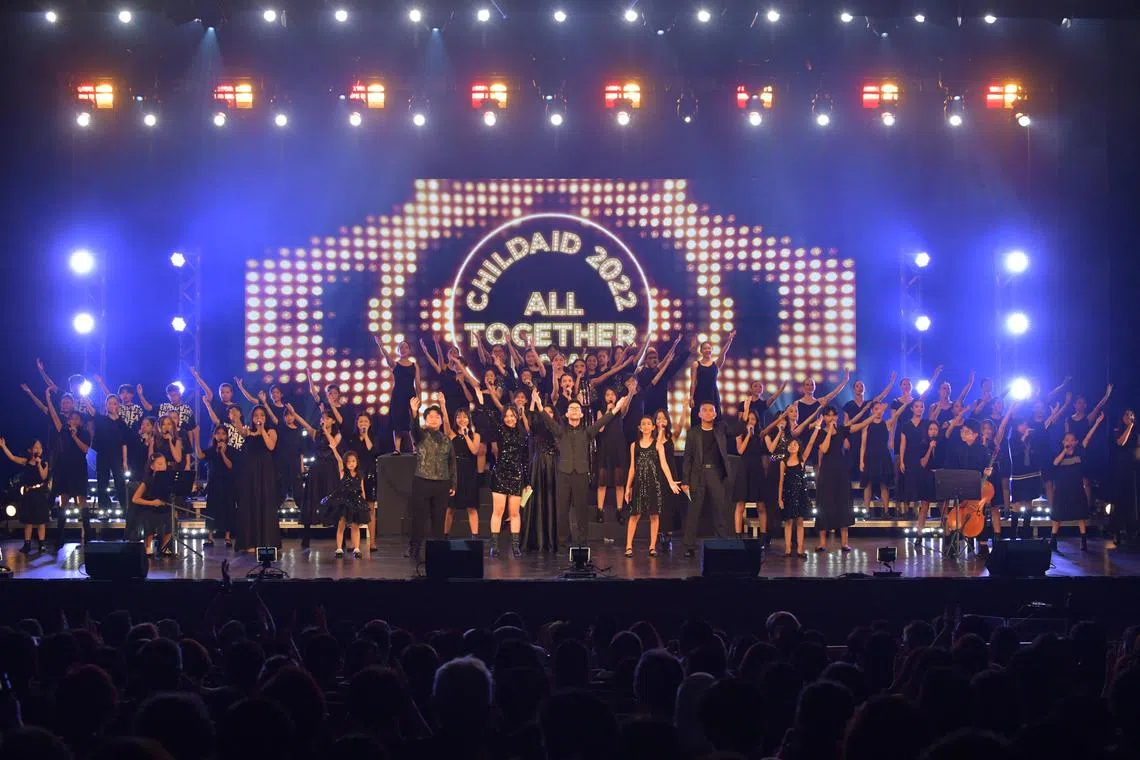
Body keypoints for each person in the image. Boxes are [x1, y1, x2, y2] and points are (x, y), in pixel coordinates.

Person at [532, 381, 633, 550]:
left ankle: (581, 542)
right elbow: (549, 422)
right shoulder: (561, 431)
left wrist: (616, 409)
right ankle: (563, 541)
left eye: (577, 409)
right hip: (564, 473)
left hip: (581, 473)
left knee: (581, 510)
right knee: (562, 510)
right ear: (566, 413)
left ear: (581, 414)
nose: (574, 410)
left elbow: (602, 422)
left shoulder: (587, 432)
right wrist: (540, 406)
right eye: (571, 408)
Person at [814, 406, 875, 552]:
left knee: (843, 504)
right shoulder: (820, 433)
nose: (831, 418)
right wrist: (830, 431)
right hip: (827, 472)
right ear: (824, 417)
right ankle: (822, 543)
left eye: (833, 415)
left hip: (841, 471)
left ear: (837, 417)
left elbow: (860, 425)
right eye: (828, 415)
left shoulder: (842, 430)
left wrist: (875, 415)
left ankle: (844, 542)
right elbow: (824, 449)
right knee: (824, 505)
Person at [681, 401, 734, 558]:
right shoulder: (693, 433)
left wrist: (744, 413)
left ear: (715, 414)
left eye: (711, 410)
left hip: (715, 473)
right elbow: (687, 458)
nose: (708, 413)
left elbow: (737, 430)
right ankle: (689, 546)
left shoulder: (720, 430)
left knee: (719, 509)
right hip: (697, 474)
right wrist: (685, 481)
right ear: (699, 414)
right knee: (694, 511)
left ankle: (722, 542)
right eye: (705, 410)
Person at [407, 396, 457, 562]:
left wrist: (453, 483)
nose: (434, 419)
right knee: (419, 518)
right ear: (426, 420)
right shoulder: (421, 435)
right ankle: (415, 548)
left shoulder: (447, 439)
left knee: (439, 519)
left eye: (437, 416)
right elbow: (413, 428)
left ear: (441, 420)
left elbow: (452, 462)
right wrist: (414, 412)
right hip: (422, 481)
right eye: (430, 417)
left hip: (442, 483)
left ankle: (439, 549)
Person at [623, 417, 681, 557]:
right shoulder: (634, 445)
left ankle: (652, 546)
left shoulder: (658, 445)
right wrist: (628, 487)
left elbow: (664, 465)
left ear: (653, 427)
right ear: (640, 427)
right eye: (643, 424)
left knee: (654, 515)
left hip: (654, 484)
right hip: (639, 484)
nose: (646, 426)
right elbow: (632, 468)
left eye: (649, 424)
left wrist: (671, 481)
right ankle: (628, 546)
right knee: (634, 515)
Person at [1049, 413, 1105, 553]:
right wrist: (1065, 451)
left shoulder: (1080, 450)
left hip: (1076, 488)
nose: (1069, 442)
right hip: (1062, 489)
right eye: (1066, 440)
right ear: (1063, 442)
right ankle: (1053, 539)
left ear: (1075, 442)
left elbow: (1088, 437)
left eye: (1071, 440)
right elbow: (1055, 463)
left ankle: (1083, 540)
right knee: (1057, 515)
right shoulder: (1059, 452)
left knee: (1080, 515)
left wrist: (1097, 423)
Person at [292, 406, 342, 550]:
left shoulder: (338, 434)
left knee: (332, 499)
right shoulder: (316, 433)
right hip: (317, 469)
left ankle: (341, 538)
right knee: (311, 500)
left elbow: (333, 444)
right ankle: (306, 537)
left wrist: (325, 431)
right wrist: (294, 413)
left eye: (327, 418)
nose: (324, 420)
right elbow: (305, 424)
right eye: (322, 418)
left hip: (330, 469)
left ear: (333, 421)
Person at [46, 389, 92, 545]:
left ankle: (89, 536)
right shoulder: (62, 430)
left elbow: (85, 450)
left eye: (76, 418)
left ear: (80, 421)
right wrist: (48, 398)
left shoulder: (84, 433)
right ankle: (59, 537)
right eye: (71, 418)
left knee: (82, 500)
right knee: (63, 501)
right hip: (65, 468)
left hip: (79, 469)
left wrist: (74, 436)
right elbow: (53, 415)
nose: (73, 420)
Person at [235, 406, 281, 552]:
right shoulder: (248, 432)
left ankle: (265, 541)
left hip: (265, 472)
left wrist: (262, 430)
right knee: (249, 504)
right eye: (256, 415)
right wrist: (236, 417)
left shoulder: (271, 431)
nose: (258, 417)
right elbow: (240, 429)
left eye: (262, 415)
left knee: (265, 504)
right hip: (249, 472)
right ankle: (250, 542)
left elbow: (271, 446)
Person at [488, 400, 530, 558]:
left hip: (516, 475)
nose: (509, 419)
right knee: (498, 511)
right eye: (506, 416)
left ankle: (515, 546)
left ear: (517, 416)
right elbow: (491, 417)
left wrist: (527, 482)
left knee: (514, 513)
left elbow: (525, 459)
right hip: (500, 473)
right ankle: (494, 546)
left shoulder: (523, 434)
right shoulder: (499, 430)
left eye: (512, 416)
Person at [0, 437, 51, 554]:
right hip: (28, 494)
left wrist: (39, 464)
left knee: (41, 521)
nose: (38, 449)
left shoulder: (44, 463)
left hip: (39, 494)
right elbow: (12, 458)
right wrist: (3, 446)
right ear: (30, 450)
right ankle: (27, 544)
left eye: (40, 447)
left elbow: (43, 477)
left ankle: (42, 544)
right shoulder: (25, 461)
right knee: (28, 521)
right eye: (36, 447)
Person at [779, 422, 822, 558]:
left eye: (795, 444)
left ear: (799, 447)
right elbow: (781, 482)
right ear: (787, 447)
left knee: (800, 521)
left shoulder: (802, 460)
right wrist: (780, 499)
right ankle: (787, 549)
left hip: (801, 494)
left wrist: (817, 428)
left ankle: (800, 549)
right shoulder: (783, 462)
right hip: (788, 494)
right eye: (790, 444)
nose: (792, 446)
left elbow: (811, 443)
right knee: (788, 522)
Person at [522, 394, 559, 552]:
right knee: (535, 499)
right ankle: (535, 540)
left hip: (553, 466)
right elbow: (530, 419)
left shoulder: (556, 428)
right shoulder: (536, 427)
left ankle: (552, 540)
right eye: (545, 412)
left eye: (550, 412)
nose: (548, 414)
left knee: (551, 500)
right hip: (537, 466)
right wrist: (534, 402)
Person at [859, 402, 906, 518]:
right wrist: (861, 461)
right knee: (868, 484)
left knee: (884, 484)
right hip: (870, 457)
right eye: (876, 409)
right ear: (872, 411)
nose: (879, 411)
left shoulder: (886, 424)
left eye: (881, 409)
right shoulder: (867, 425)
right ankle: (867, 511)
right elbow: (863, 445)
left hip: (883, 457)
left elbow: (896, 415)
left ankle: (886, 511)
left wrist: (905, 403)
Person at [595, 386, 632, 525]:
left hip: (618, 446)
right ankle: (600, 510)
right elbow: (600, 428)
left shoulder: (620, 410)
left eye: (612, 394)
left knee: (619, 481)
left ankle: (619, 510)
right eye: (607, 394)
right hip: (605, 446)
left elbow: (625, 409)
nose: (610, 397)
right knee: (602, 481)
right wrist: (607, 411)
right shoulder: (600, 411)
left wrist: (630, 392)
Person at [443, 406, 481, 540]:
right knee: (450, 507)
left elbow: (474, 451)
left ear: (469, 419)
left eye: (465, 417)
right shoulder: (451, 434)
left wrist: (466, 435)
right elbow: (445, 421)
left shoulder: (476, 435)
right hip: (455, 471)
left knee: (471, 507)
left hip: (469, 472)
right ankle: (445, 536)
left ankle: (474, 537)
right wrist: (443, 404)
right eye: (459, 417)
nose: (462, 419)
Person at [323, 449, 369, 558]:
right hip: (344, 502)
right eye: (348, 462)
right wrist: (334, 449)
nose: (351, 464)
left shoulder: (359, 475)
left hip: (356, 502)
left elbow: (362, 489)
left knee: (355, 526)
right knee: (341, 524)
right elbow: (339, 460)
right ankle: (339, 548)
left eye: (353, 461)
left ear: (357, 462)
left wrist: (364, 503)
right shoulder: (343, 472)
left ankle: (356, 548)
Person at [91, 394, 130, 519]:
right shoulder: (101, 419)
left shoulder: (121, 423)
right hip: (103, 455)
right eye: (109, 403)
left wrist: (125, 461)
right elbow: (92, 411)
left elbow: (124, 443)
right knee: (102, 483)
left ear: (118, 405)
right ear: (106, 405)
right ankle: (104, 509)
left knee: (120, 483)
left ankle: (125, 509)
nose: (111, 405)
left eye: (114, 403)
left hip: (117, 457)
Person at [377, 338, 420, 453]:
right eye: (401, 347)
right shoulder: (395, 365)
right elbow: (387, 357)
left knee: (411, 421)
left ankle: (414, 447)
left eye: (406, 347)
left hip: (410, 396)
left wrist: (419, 398)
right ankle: (397, 448)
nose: (403, 349)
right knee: (396, 421)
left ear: (409, 350)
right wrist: (381, 346)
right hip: (398, 396)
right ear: (398, 350)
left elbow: (418, 383)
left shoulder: (414, 366)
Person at [687, 332, 736, 426]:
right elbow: (693, 382)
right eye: (705, 348)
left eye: (709, 348)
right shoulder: (696, 364)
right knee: (698, 418)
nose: (707, 350)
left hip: (712, 394)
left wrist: (729, 340)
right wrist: (691, 397)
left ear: (712, 350)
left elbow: (723, 353)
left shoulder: (716, 364)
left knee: (714, 419)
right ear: (701, 351)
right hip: (699, 394)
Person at [131, 453, 175, 557]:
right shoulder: (148, 480)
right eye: (159, 464)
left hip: (165, 507)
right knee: (150, 520)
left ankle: (163, 547)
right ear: (152, 466)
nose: (162, 466)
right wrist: (152, 503)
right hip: (150, 508)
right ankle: (148, 547)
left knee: (171, 523)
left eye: (163, 464)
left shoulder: (169, 479)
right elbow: (135, 499)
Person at [202, 426, 240, 548]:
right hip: (214, 483)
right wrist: (196, 440)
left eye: (223, 433)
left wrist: (223, 453)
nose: (220, 436)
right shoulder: (212, 450)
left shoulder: (232, 450)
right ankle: (210, 537)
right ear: (214, 436)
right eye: (218, 433)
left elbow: (230, 466)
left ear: (227, 436)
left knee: (228, 508)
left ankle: (227, 537)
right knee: (211, 510)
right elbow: (200, 455)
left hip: (228, 484)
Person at [348, 413, 379, 552]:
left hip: (370, 475)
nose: (363, 423)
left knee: (370, 508)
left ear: (370, 423)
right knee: (354, 508)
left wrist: (366, 435)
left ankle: (372, 542)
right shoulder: (352, 438)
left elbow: (373, 451)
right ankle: (354, 542)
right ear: (357, 423)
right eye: (360, 421)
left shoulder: (373, 437)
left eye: (366, 421)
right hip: (356, 475)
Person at [1111, 409, 1139, 546]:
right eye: (1127, 414)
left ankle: (1131, 531)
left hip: (1133, 469)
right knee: (1119, 500)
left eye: (1131, 415)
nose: (1129, 417)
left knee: (1132, 501)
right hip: (1120, 468)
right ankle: (1116, 531)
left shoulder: (1136, 432)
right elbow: (1121, 442)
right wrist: (1129, 426)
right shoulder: (1118, 430)